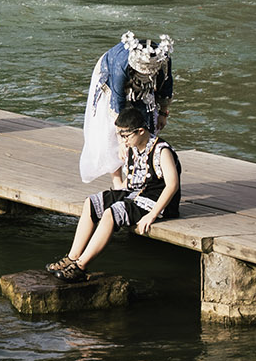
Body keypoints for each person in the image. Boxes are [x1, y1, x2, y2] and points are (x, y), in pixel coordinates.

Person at [48, 107, 181, 280]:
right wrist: (114, 195)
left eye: (125, 136)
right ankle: (72, 257)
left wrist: (152, 215)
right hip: (134, 192)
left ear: (141, 131)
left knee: (112, 213)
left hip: (155, 201)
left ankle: (80, 266)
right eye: (120, 136)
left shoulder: (162, 151)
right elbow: (132, 179)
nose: (123, 141)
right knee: (92, 202)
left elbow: (172, 185)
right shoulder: (133, 146)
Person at [79, 30, 173, 182]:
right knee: (111, 129)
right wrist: (122, 140)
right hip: (109, 79)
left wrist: (163, 113)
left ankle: (140, 173)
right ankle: (117, 180)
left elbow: (166, 87)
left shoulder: (163, 60)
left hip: (145, 87)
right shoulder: (120, 65)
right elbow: (117, 103)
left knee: (145, 122)